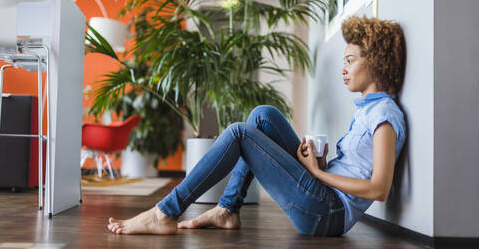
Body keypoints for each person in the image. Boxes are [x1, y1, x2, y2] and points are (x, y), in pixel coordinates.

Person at [107, 15, 407, 236]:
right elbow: (356, 169)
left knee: (240, 132)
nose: (344, 69)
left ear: (377, 61)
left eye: (351, 60)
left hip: (327, 213)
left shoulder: (384, 115)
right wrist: (322, 165)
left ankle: (165, 211)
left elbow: (379, 188)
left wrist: (316, 172)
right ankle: (227, 209)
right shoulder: (367, 110)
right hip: (323, 194)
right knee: (263, 114)